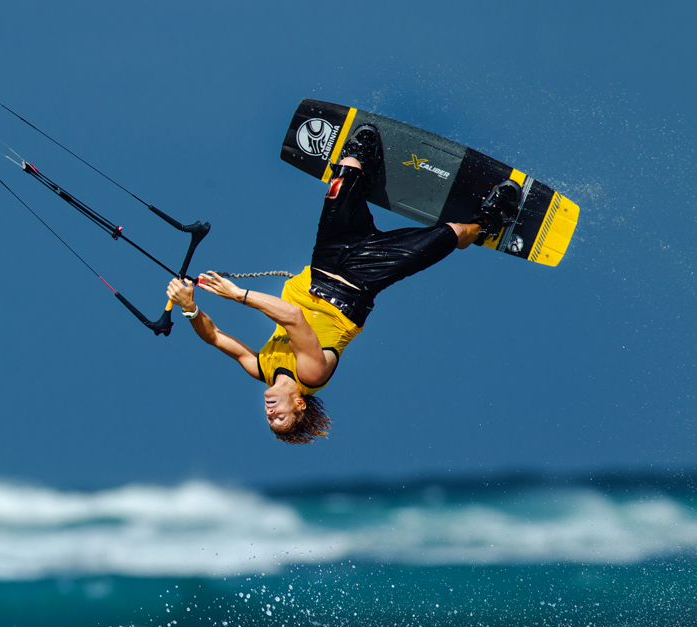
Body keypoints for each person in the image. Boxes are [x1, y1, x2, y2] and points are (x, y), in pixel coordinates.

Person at [165, 124, 520, 444]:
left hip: (326, 261)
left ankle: (358, 170)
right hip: (363, 279)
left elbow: (213, 337)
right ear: (299, 405)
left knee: (345, 173)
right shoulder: (313, 373)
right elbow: (292, 318)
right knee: (449, 236)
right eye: (281, 417)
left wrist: (189, 307)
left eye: (269, 419)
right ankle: (486, 223)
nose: (271, 413)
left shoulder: (261, 367)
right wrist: (237, 294)